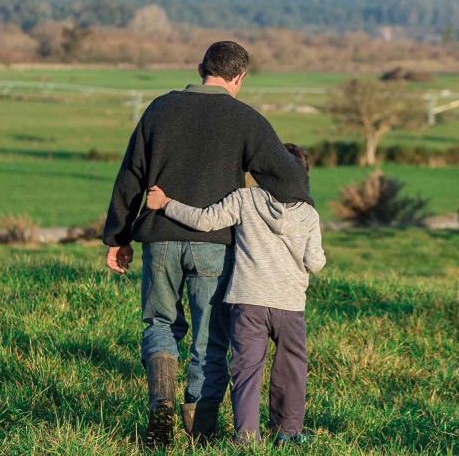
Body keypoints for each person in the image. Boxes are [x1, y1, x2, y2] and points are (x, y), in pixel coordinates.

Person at [102, 41, 313, 449]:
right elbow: (288, 178)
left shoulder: (160, 109)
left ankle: (161, 400)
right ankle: (201, 431)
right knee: (208, 339)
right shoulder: (245, 119)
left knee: (160, 324)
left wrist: (118, 237)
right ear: (240, 77)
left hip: (160, 239)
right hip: (214, 245)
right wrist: (298, 214)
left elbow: (130, 175)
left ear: (202, 68)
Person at [146, 143, 325, 445]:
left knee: (246, 370)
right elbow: (315, 262)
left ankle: (247, 438)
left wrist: (166, 203)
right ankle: (288, 432)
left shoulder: (246, 199)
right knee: (292, 367)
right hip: (289, 305)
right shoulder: (308, 213)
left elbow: (205, 221)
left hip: (248, 301)